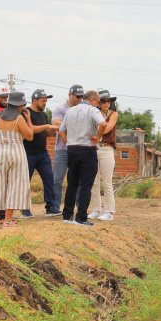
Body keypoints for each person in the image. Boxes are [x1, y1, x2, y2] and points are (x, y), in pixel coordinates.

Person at [0, 91, 34, 228]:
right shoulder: (19, 119)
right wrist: (29, 120)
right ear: (21, 105)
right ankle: (7, 221)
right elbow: (29, 136)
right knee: (14, 187)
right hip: (17, 153)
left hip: (0, 153)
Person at [59, 89, 107, 226]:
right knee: (86, 185)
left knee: (72, 184)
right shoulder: (93, 111)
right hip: (87, 149)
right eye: (98, 101)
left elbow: (61, 130)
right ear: (92, 100)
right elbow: (103, 124)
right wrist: (98, 136)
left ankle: (67, 216)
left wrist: (68, 143)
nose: (98, 104)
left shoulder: (71, 110)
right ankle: (81, 217)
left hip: (72, 149)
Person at [20, 88, 61, 219]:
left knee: (49, 179)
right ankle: (24, 209)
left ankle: (50, 206)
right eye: (43, 101)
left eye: (46, 101)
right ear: (34, 100)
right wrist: (46, 126)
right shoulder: (26, 113)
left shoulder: (43, 115)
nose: (45, 104)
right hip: (28, 153)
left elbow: (46, 133)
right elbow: (29, 129)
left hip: (42, 153)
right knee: (26, 181)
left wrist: (53, 130)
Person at [88, 89, 119, 221]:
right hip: (94, 148)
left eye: (109, 101)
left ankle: (109, 211)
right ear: (99, 102)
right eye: (104, 101)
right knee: (94, 181)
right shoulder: (94, 113)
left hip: (106, 149)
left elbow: (107, 127)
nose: (107, 103)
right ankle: (96, 208)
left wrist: (98, 135)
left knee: (107, 181)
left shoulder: (113, 114)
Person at [52, 85, 84, 211]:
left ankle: (79, 206)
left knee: (78, 180)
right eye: (78, 96)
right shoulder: (60, 108)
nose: (80, 99)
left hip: (77, 148)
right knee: (57, 179)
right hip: (61, 149)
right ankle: (55, 206)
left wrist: (65, 125)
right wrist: (74, 125)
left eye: (82, 96)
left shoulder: (83, 109)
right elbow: (56, 123)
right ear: (70, 95)